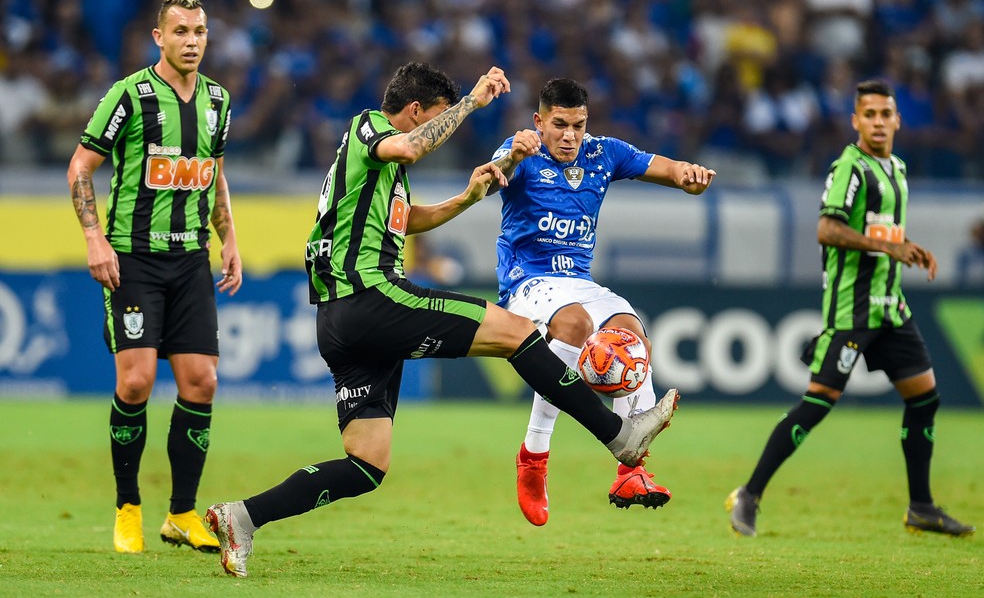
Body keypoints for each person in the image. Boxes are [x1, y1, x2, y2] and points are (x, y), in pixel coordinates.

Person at [204, 62, 679, 578]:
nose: (440, 128)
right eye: (437, 116)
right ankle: (618, 435)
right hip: (371, 296)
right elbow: (411, 146)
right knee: (517, 333)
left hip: (341, 323)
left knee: (366, 464)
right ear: (415, 111)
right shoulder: (369, 127)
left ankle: (241, 517)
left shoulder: (381, 173)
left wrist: (466, 198)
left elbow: (408, 220)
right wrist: (472, 102)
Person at [726, 79, 975, 538]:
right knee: (818, 403)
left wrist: (904, 246)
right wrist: (890, 248)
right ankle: (750, 493)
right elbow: (827, 229)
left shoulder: (897, 168)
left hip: (891, 309)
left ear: (898, 120)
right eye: (870, 115)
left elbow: (879, 231)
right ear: (856, 121)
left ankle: (921, 507)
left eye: (886, 114)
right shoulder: (850, 167)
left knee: (925, 398)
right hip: (853, 310)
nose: (878, 122)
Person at [485, 78, 715, 526]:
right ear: (539, 121)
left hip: (578, 281)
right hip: (527, 280)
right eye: (559, 124)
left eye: (578, 125)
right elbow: (487, 179)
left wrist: (687, 175)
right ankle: (533, 456)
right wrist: (511, 157)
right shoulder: (521, 149)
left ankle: (630, 472)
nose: (570, 135)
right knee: (575, 325)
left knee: (632, 335)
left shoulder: (603, 152)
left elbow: (664, 167)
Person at [67, 0, 242, 554]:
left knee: (202, 382)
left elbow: (213, 172)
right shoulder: (128, 96)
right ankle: (128, 508)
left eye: (200, 31)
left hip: (190, 260)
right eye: (181, 31)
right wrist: (94, 238)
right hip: (133, 258)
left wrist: (229, 238)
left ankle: (182, 513)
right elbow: (81, 166)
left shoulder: (218, 101)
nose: (192, 41)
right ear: (158, 37)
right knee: (136, 381)